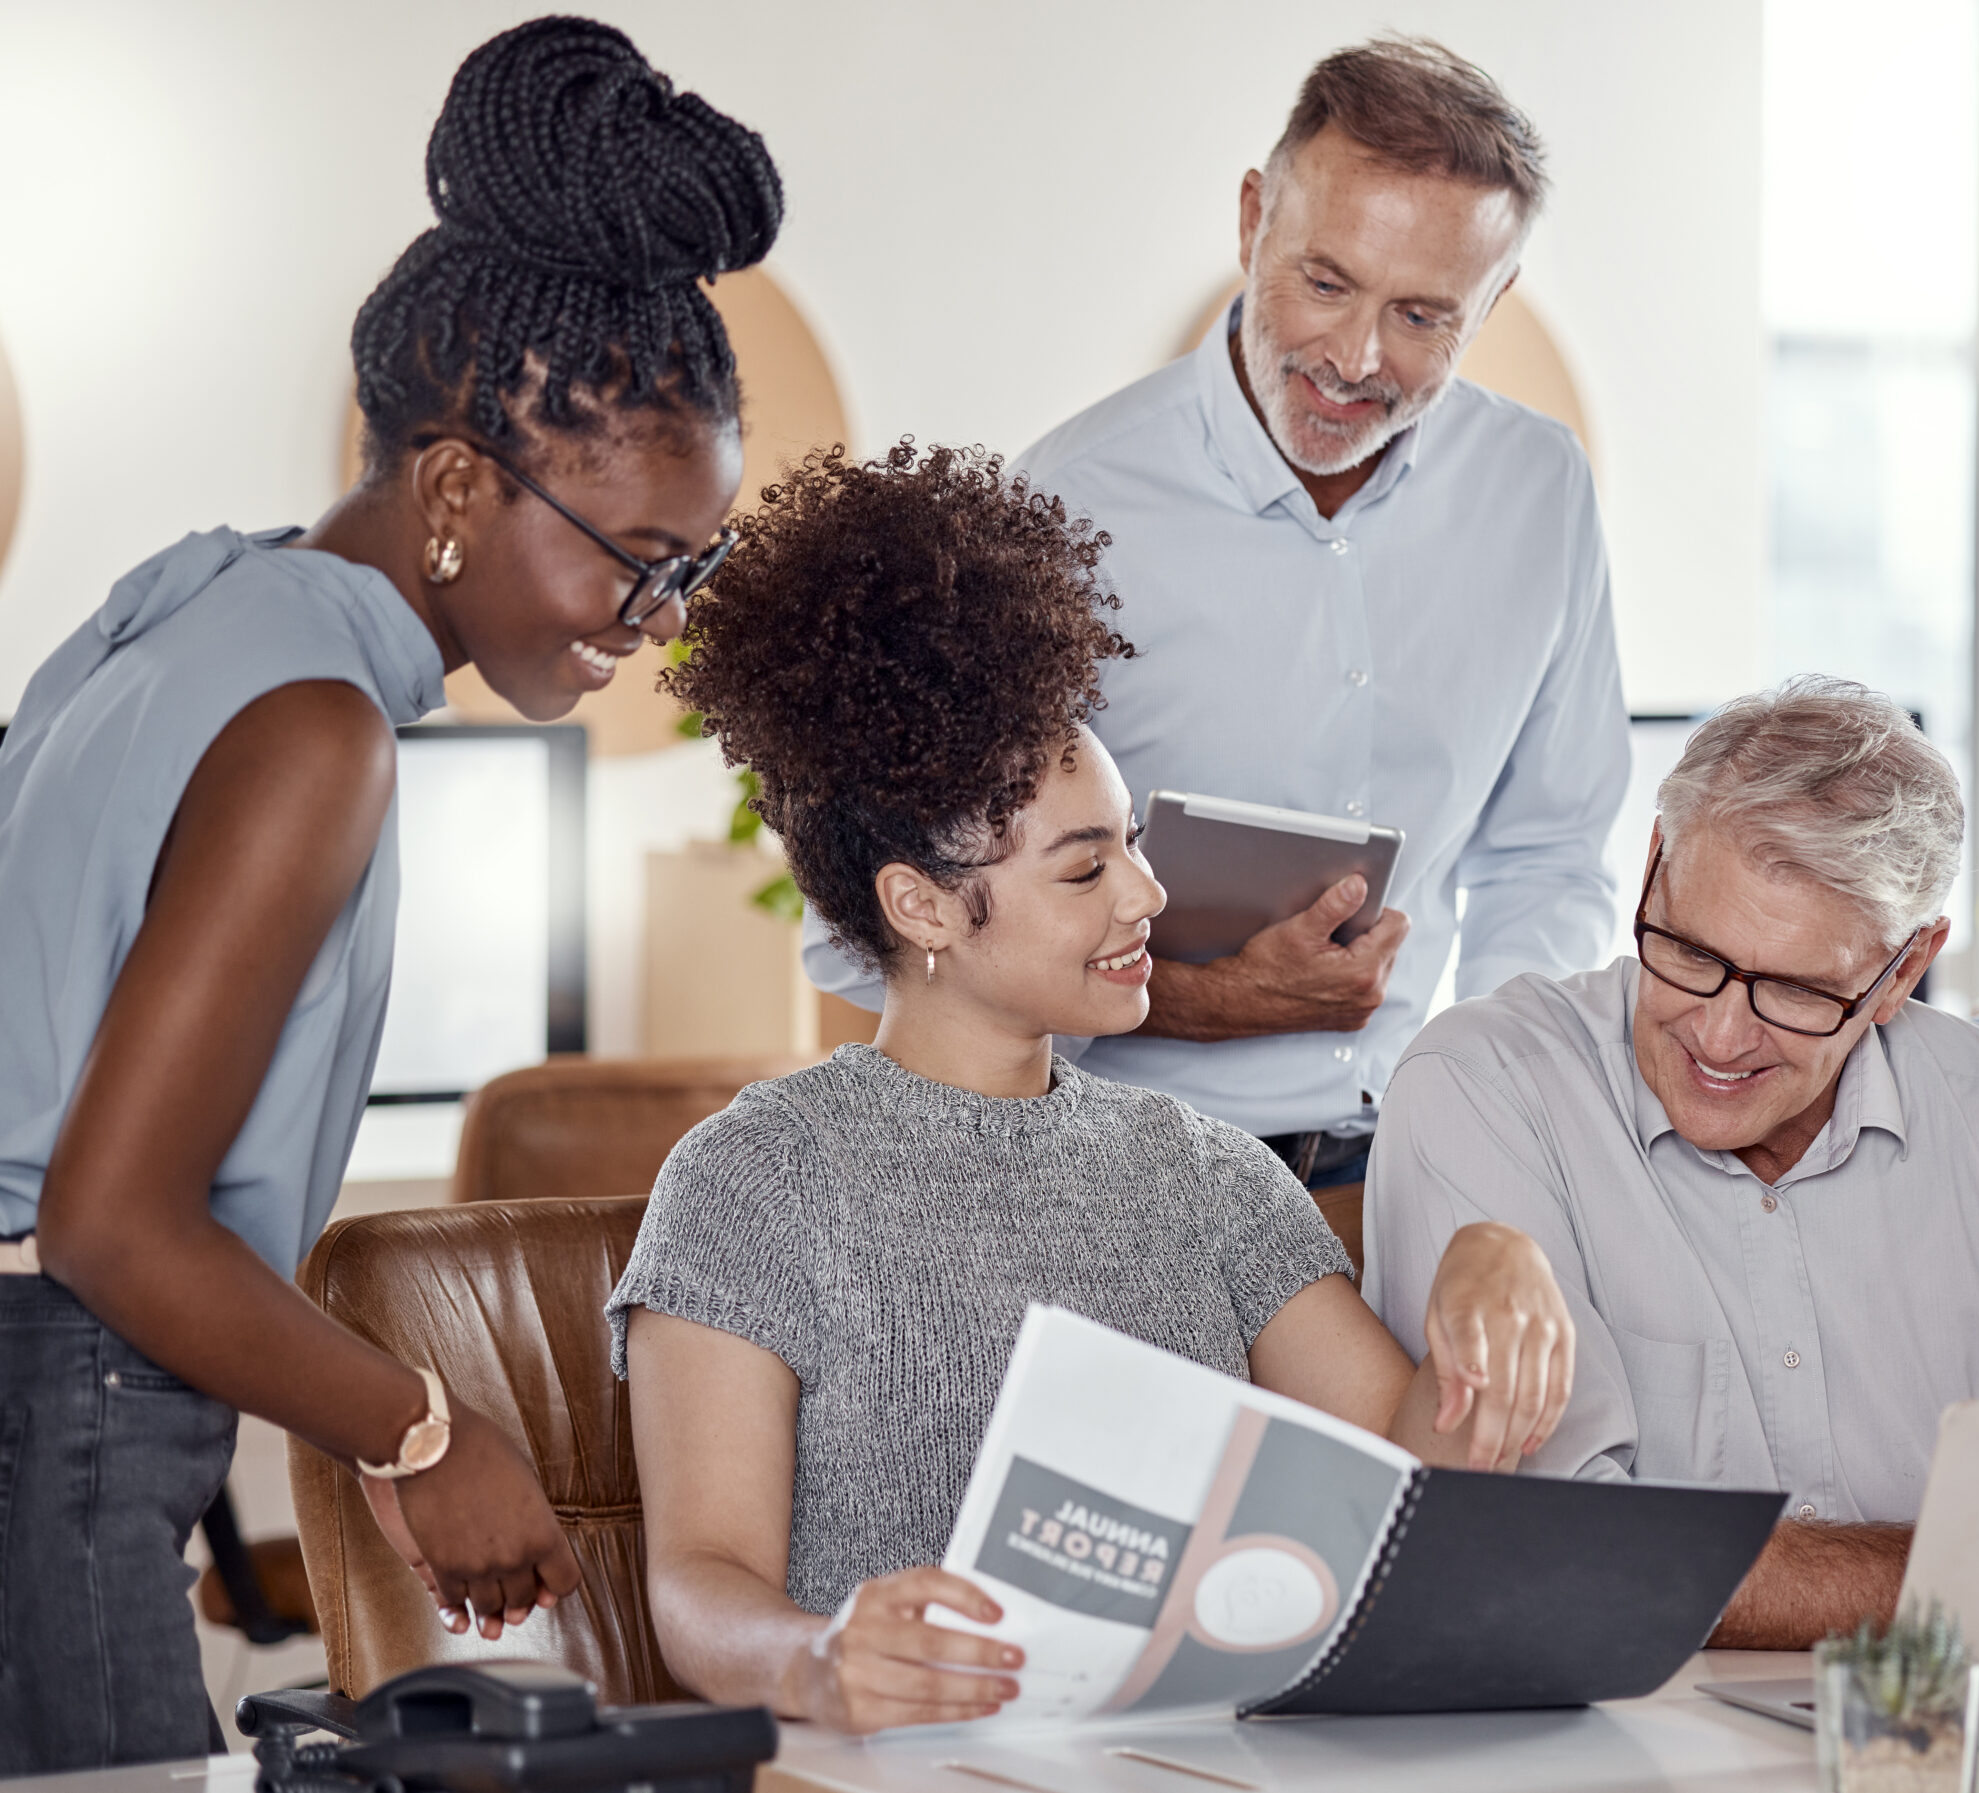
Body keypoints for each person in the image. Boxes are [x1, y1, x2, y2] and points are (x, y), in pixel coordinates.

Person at [0, 20, 783, 1770]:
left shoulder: (180, 600)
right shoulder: (320, 731)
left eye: (696, 568)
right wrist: (425, 1431)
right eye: (639, 562)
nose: (659, 621)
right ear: (451, 485)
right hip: (64, 1398)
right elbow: (116, 1220)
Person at [609, 442, 1575, 1737]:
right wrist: (818, 1655)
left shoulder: (1210, 1172)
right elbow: (697, 1585)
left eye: (1131, 844)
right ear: (923, 904)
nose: (1148, 898)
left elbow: (1404, 1488)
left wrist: (1493, 1265)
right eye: (1084, 870)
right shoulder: (755, 1180)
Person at [802, 37, 1629, 1210]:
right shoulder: (1062, 504)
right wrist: (1205, 1001)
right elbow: (873, 931)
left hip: (1404, 1173)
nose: (1353, 360)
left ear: (1491, 303)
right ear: (1251, 221)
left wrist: (1502, 1135)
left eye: (1421, 316)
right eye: (1325, 282)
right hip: (1112, 1180)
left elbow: (1548, 857)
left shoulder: (1537, 488)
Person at [1365, 678, 1979, 1651]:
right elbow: (1557, 1551)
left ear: (1903, 969)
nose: (1717, 1033)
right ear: (1652, 865)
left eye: (1795, 992)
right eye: (1686, 950)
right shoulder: (1482, 1087)